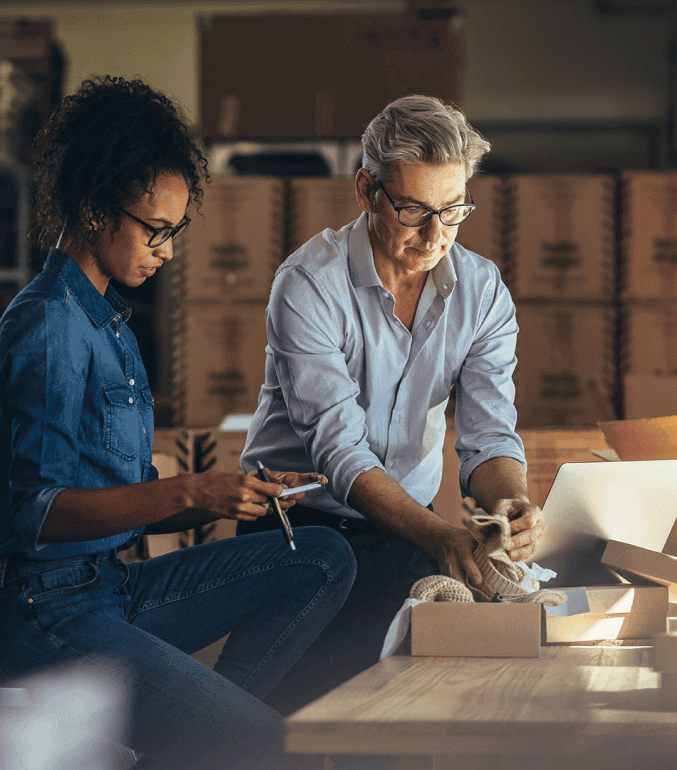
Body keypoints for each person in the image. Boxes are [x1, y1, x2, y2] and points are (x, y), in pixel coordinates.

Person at [0, 75, 356, 770]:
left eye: (176, 231)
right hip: (40, 615)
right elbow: (36, 513)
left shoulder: (109, 321)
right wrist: (191, 493)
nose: (167, 250)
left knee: (323, 556)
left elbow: (130, 508)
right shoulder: (52, 324)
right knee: (263, 741)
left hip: (108, 589)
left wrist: (239, 490)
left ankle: (198, 740)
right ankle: (217, 739)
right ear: (92, 210)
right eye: (155, 230)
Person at [238, 95, 547, 719]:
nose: (435, 235)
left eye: (453, 211)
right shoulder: (307, 285)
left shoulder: (482, 293)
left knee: (392, 721)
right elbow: (340, 452)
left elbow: (488, 438)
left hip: (404, 532)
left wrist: (510, 500)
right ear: (366, 190)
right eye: (413, 210)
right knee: (283, 728)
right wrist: (438, 534)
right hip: (293, 534)